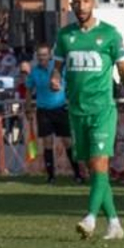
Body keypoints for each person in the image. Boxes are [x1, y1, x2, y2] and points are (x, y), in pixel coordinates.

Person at [50, 0, 124, 241]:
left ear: (93, 3)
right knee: (94, 170)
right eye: (76, 3)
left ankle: (90, 219)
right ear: (71, 6)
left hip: (103, 109)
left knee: (100, 163)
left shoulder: (110, 35)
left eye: (85, 1)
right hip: (77, 110)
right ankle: (114, 223)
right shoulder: (65, 36)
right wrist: (55, 77)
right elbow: (57, 67)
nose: (80, 7)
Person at [25, 44, 83, 185]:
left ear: (50, 55)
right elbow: (28, 90)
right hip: (43, 110)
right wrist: (28, 108)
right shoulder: (34, 72)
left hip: (60, 108)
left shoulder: (58, 68)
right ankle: (51, 176)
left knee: (68, 142)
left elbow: (72, 82)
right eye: (39, 55)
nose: (41, 58)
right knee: (47, 143)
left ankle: (78, 174)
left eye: (44, 55)